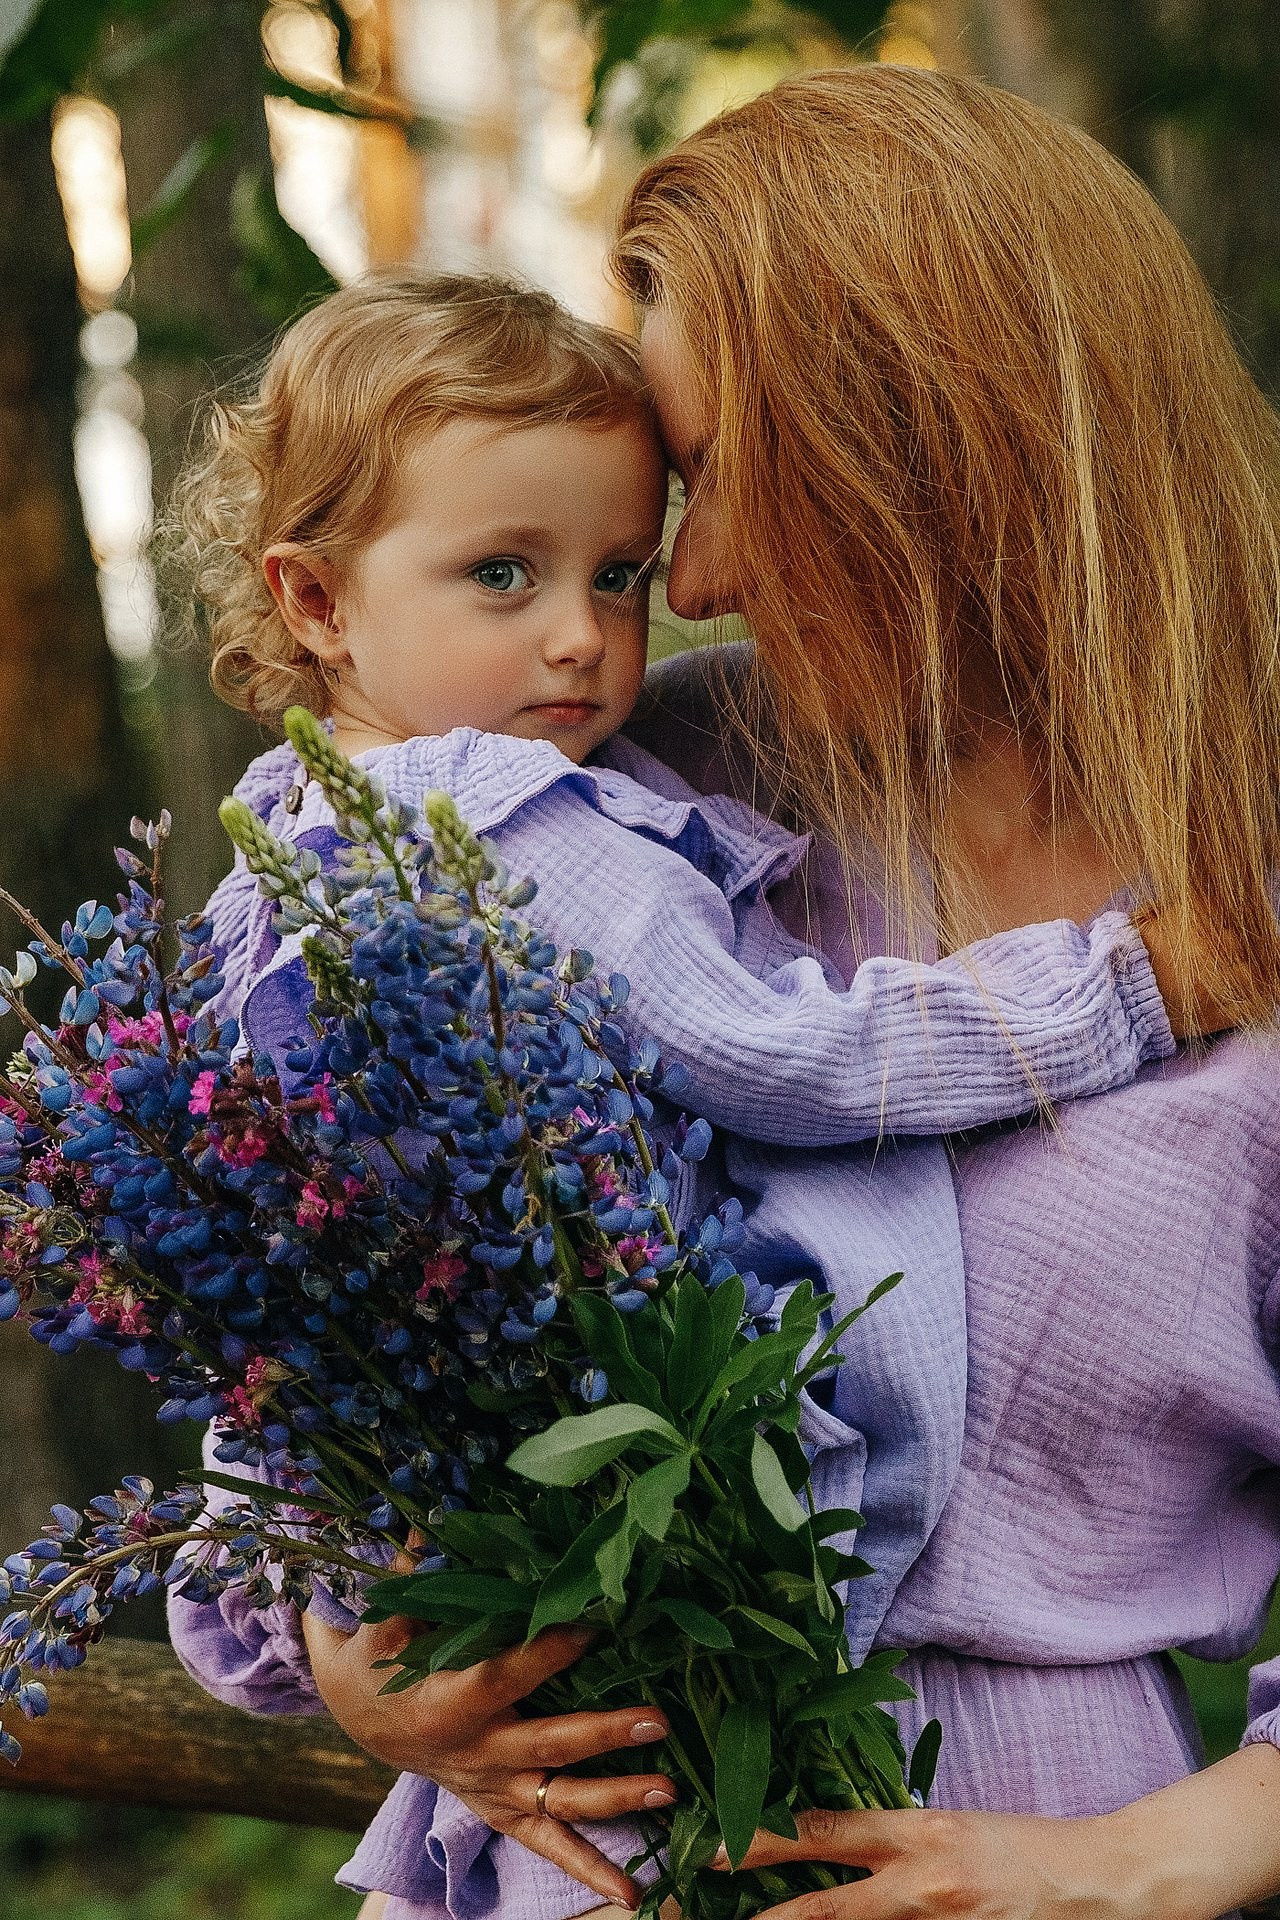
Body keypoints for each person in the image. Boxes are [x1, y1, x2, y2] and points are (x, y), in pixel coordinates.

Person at [162, 271, 1193, 1920]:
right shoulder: (506, 810)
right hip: (676, 1619)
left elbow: (260, 1289)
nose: (590, 631)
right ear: (313, 599)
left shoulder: (273, 867)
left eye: (620, 571)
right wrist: (1126, 985)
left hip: (754, 1715)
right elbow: (784, 1053)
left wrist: (289, 1577)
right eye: (505, 573)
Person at [604, 62, 1280, 1920]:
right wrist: (357, 1648)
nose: (698, 572)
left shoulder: (1257, 867)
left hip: (1052, 1838)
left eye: (724, 473)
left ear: (928, 433)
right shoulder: (634, 799)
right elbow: (315, 1316)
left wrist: (1146, 1860)